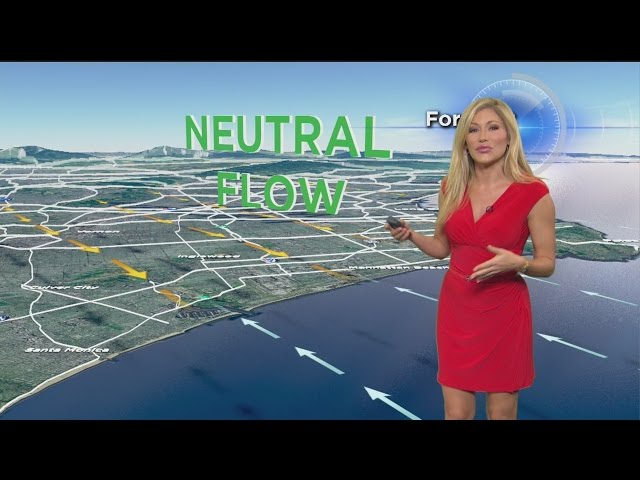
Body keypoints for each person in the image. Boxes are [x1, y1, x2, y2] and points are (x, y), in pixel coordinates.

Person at [385, 98, 556, 420]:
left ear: (509, 136)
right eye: (473, 130)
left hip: (504, 311)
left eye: (493, 128)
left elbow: (547, 263)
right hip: (457, 308)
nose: (483, 137)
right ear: (464, 139)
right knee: (456, 413)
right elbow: (442, 248)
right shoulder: (450, 187)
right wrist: (411, 236)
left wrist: (519, 263)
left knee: (500, 413)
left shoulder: (534, 193)